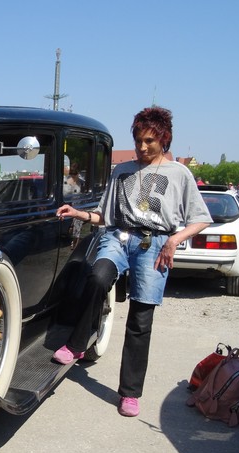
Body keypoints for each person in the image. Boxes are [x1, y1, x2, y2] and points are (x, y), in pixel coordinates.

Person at [52, 106, 212, 417]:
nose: (142, 147)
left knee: (140, 318)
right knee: (97, 277)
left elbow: (200, 219)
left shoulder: (179, 174)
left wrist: (174, 241)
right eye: (138, 140)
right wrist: (79, 213)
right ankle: (77, 344)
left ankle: (130, 392)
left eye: (149, 141)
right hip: (118, 238)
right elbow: (105, 216)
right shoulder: (121, 171)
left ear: (164, 139)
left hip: (153, 245)